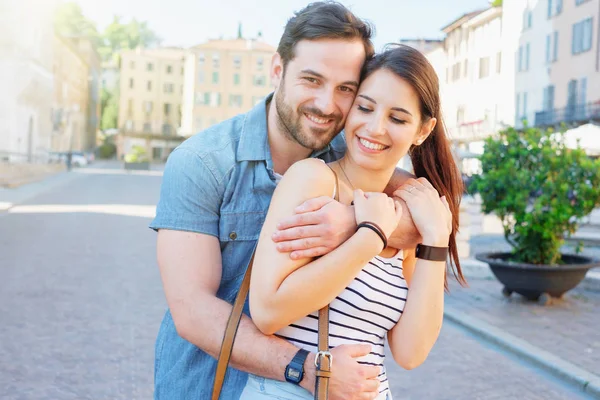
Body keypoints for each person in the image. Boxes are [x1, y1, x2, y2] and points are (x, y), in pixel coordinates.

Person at [150, 3, 427, 399]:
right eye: (311, 80)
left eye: (346, 89)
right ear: (277, 70)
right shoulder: (202, 163)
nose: (327, 104)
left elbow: (422, 208)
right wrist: (310, 369)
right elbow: (194, 312)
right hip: (208, 384)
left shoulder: (347, 151)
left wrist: (350, 221)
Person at [240, 44, 465, 400]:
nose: (375, 128)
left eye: (398, 118)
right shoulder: (313, 181)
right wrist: (370, 236)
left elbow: (410, 352)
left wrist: (435, 238)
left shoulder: (405, 214)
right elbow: (267, 313)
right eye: (365, 107)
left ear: (423, 130)